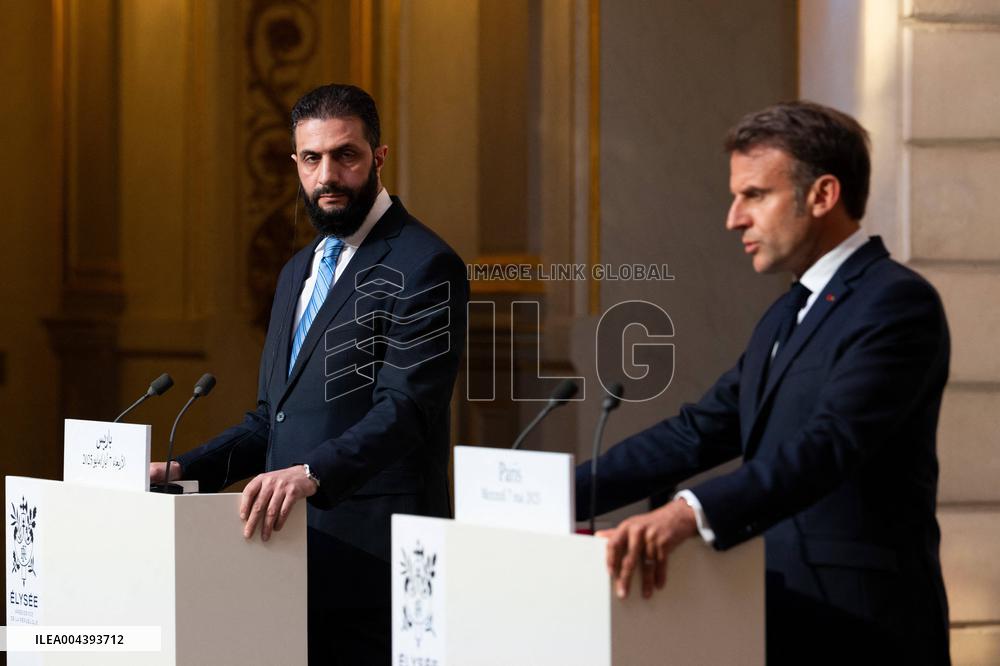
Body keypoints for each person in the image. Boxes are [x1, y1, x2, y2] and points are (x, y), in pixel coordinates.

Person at [577, 101, 950, 665]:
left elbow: (828, 444)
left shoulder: (896, 302)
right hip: (773, 611)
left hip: (863, 625)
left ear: (822, 195)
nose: (734, 218)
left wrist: (687, 512)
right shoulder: (786, 312)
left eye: (754, 195)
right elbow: (697, 433)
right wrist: (557, 495)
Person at [150, 83, 468, 665]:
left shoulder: (426, 264)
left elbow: (405, 411)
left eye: (345, 155)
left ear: (378, 157)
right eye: (312, 158)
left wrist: (312, 472)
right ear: (295, 162)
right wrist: (184, 470)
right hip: (286, 558)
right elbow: (271, 420)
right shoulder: (297, 269)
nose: (328, 176)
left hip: (378, 561)